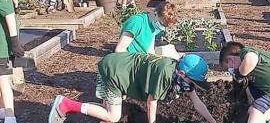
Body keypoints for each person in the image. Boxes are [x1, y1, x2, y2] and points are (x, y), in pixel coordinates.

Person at [48, 53, 217, 123]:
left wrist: (213, 122)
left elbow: (197, 103)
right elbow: (152, 102)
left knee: (110, 112)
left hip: (119, 67)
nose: (194, 86)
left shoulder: (183, 79)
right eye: (194, 82)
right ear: (182, 73)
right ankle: (66, 105)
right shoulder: (166, 73)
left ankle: (73, 107)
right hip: (114, 72)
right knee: (113, 116)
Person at [0, 0, 25, 123]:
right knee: (2, 79)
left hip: (1, 47)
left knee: (3, 79)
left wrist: (15, 42)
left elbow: (9, 13)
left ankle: (10, 116)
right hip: (4, 45)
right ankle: (3, 110)